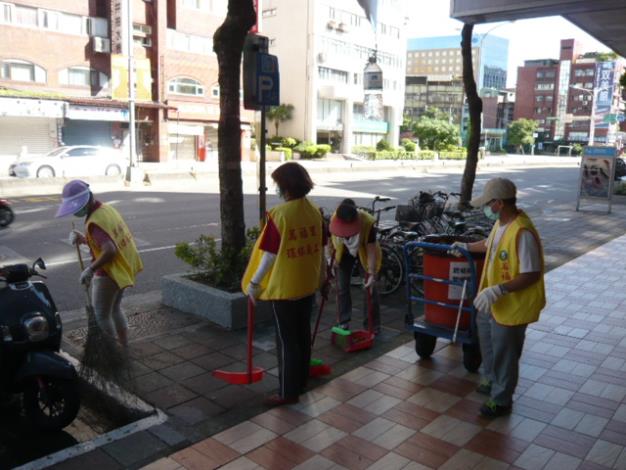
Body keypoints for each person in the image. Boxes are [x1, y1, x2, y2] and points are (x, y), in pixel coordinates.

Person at [450, 177, 545, 418]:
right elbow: (490, 244)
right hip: (491, 303)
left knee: (505, 353)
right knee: (489, 343)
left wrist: (498, 290)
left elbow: (531, 273)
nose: (485, 208)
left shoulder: (522, 231)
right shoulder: (502, 224)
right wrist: (466, 246)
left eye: (487, 203)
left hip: (511, 305)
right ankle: (491, 380)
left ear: (499, 204)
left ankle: (501, 400)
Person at [242, 162, 325, 406]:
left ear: (285, 187)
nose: (276, 188)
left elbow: (269, 255)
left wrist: (254, 284)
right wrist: (322, 279)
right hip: (307, 284)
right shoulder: (314, 211)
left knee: (287, 340)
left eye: (278, 184)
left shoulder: (280, 215)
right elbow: (322, 249)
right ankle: (301, 381)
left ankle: (288, 393)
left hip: (285, 288)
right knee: (302, 335)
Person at [56, 180, 143, 347]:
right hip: (123, 268)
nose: (75, 210)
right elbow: (105, 240)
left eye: (76, 206)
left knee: (101, 315)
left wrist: (90, 269)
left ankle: (111, 354)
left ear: (85, 201)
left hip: (109, 273)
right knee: (115, 308)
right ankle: (124, 346)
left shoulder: (95, 222)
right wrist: (83, 239)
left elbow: (110, 250)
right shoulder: (106, 209)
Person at [328, 199, 381, 334]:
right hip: (343, 252)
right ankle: (343, 322)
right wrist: (330, 259)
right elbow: (329, 241)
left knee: (370, 289)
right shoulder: (334, 219)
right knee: (342, 287)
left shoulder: (367, 223)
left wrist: (371, 274)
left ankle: (372, 325)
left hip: (363, 250)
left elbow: (371, 251)